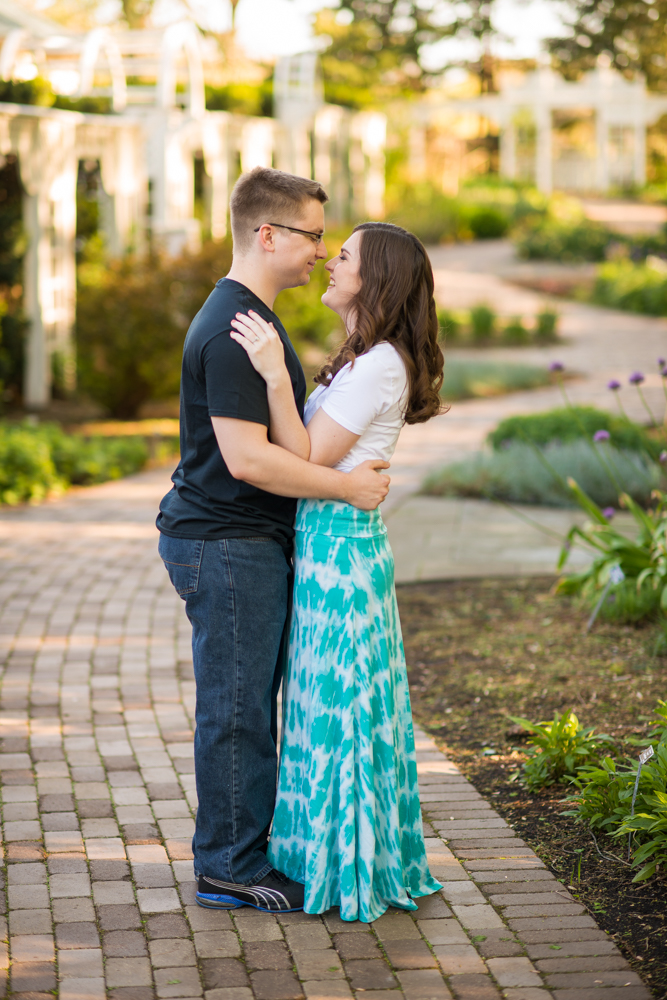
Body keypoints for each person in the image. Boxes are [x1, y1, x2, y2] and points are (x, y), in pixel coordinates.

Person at [156, 168, 390, 914]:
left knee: (249, 701)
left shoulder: (252, 317)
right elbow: (247, 458)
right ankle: (227, 866)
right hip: (225, 543)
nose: (322, 252)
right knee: (237, 709)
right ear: (268, 234)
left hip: (241, 541)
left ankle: (241, 851)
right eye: (314, 236)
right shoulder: (235, 329)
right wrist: (348, 489)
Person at [226, 221, 445, 922]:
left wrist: (268, 376)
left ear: (373, 278)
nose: (328, 261)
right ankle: (324, 855)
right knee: (328, 707)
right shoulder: (364, 357)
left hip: (342, 551)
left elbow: (310, 457)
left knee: (342, 709)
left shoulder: (380, 362)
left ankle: (339, 867)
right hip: (329, 545)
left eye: (342, 255)